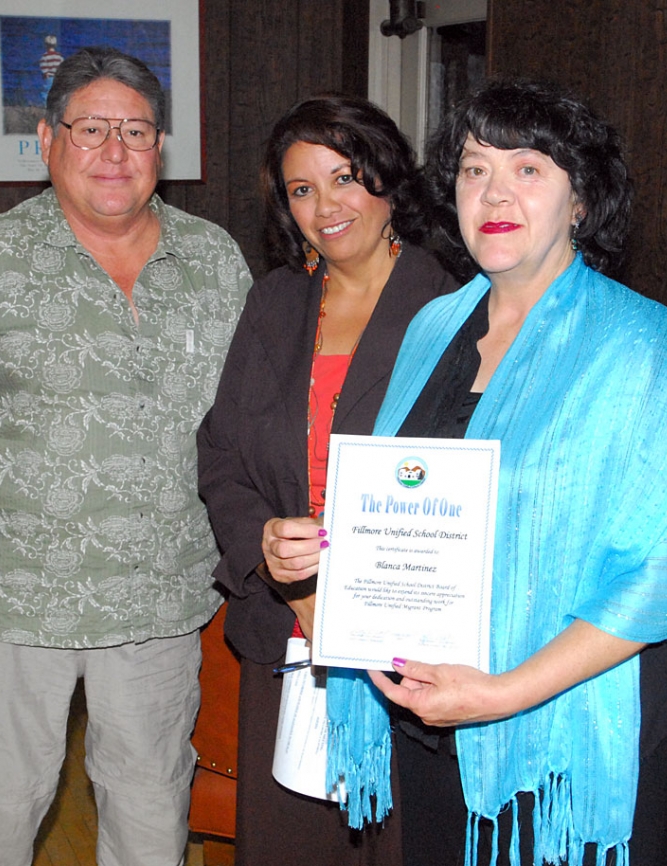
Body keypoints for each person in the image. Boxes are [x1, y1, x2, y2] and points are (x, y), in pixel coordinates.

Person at [268, 80, 667, 866]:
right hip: (432, 705)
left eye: (529, 169)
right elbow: (405, 502)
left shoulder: (640, 345)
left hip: (559, 724)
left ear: (580, 200)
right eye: (475, 169)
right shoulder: (435, 325)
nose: (495, 193)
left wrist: (502, 694)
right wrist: (318, 547)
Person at [0, 46, 252, 866]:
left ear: (162, 148)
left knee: (153, 815)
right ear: (47, 140)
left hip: (160, 603)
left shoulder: (216, 263)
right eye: (92, 130)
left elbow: (243, 415)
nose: (115, 152)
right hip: (12, 603)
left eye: (136, 131)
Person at [197, 95, 459, 866]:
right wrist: (265, 548)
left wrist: (356, 607)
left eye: (344, 177)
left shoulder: (455, 307)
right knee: (291, 845)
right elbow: (220, 453)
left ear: (387, 179)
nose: (326, 206)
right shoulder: (276, 301)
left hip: (408, 645)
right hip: (286, 628)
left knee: (398, 845)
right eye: (302, 190)